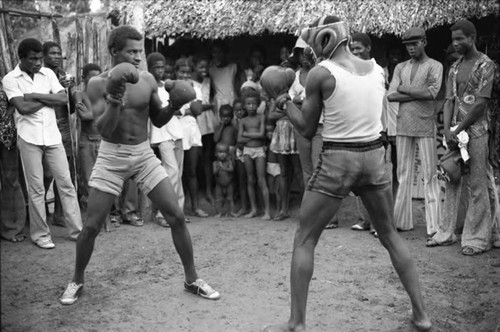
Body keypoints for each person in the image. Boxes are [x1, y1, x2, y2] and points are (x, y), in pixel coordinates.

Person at [262, 15, 431, 332]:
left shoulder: (321, 74)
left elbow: (307, 128)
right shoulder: (378, 70)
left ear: (321, 40)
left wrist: (283, 102)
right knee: (390, 235)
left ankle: (296, 323)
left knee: (305, 239)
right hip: (374, 156)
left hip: (339, 158)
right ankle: (421, 316)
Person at [59, 26, 219, 305]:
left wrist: (174, 104)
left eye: (139, 51)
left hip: (143, 153)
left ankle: (192, 279)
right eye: (131, 51)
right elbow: (104, 130)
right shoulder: (97, 83)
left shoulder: (146, 80)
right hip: (112, 154)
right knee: (93, 225)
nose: (137, 57)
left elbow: (157, 119)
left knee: (176, 216)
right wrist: (115, 98)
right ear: (114, 52)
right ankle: (77, 279)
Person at [426, 20, 499, 255]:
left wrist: (458, 130)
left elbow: (480, 104)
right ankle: (446, 232)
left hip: (476, 132)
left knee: (477, 185)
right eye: (453, 39)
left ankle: (477, 239)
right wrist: (447, 130)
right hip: (455, 132)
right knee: (451, 177)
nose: (455, 43)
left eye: (460, 39)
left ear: (472, 38)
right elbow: (449, 100)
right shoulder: (455, 67)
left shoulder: (486, 66)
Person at [2, 38, 82, 249]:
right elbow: (22, 108)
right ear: (22, 58)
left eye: (39, 58)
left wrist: (34, 95)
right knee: (36, 188)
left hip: (52, 136)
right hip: (29, 138)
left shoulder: (47, 74)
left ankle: (77, 231)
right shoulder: (10, 79)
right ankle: (40, 235)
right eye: (33, 59)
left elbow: (63, 100)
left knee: (66, 183)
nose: (38, 63)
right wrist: (48, 98)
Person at [387, 27, 443, 238]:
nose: (411, 48)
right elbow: (391, 96)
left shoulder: (435, 66)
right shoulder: (400, 67)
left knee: (430, 176)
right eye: (408, 45)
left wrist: (405, 89)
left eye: (415, 43)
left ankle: (435, 227)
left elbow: (432, 93)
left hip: (425, 125)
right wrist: (416, 93)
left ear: (424, 42)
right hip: (403, 125)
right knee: (403, 175)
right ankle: (401, 222)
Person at [289, 36, 339, 230]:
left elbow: (308, 100)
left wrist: (301, 101)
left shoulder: (323, 72)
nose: (305, 56)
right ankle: (311, 214)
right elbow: (296, 101)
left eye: (308, 52)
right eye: (301, 53)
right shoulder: (293, 76)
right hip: (301, 125)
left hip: (320, 126)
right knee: (307, 171)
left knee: (323, 170)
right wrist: (304, 101)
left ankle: (330, 217)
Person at [147, 52, 185, 227]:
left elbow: (181, 109)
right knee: (172, 174)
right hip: (162, 135)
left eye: (162, 67)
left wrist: (172, 108)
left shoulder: (170, 86)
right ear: (150, 68)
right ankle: (164, 214)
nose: (160, 71)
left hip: (177, 132)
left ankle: (178, 212)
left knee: (178, 174)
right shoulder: (149, 86)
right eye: (157, 67)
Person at [42, 41, 77, 227]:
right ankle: (40, 212)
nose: (56, 56)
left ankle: (59, 214)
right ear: (44, 55)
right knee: (47, 173)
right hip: (47, 127)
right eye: (52, 53)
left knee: (65, 174)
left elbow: (70, 107)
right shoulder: (39, 75)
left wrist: (69, 89)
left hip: (63, 128)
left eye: (58, 53)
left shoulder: (64, 75)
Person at [176, 57, 208, 218]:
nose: (185, 75)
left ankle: (195, 207)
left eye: (188, 72)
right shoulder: (172, 87)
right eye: (182, 72)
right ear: (176, 72)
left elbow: (197, 110)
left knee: (192, 171)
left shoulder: (196, 87)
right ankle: (179, 208)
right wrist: (184, 110)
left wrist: (189, 91)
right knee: (178, 172)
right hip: (176, 130)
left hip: (192, 130)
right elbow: (173, 111)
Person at [238, 89, 271, 219]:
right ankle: (253, 209)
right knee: (250, 180)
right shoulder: (243, 120)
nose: (251, 106)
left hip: (259, 150)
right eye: (248, 104)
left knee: (261, 180)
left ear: (258, 105)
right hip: (247, 151)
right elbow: (239, 139)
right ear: (244, 105)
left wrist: (246, 134)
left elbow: (262, 135)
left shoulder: (261, 117)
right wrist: (254, 136)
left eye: (253, 104)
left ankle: (267, 211)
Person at [0, 80, 27, 243]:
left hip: (7, 137)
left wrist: (6, 117)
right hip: (7, 134)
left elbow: (19, 101)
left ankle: (12, 228)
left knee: (11, 180)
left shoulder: (7, 82)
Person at [192, 53, 217, 206]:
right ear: (195, 67)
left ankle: (208, 190)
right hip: (195, 121)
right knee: (197, 157)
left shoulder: (208, 81)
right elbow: (198, 106)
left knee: (208, 156)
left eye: (206, 67)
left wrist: (206, 106)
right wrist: (208, 106)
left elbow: (211, 99)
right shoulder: (190, 82)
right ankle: (198, 190)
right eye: (201, 67)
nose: (204, 69)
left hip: (208, 122)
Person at [209, 41, 245, 118]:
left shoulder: (233, 67)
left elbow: (242, 80)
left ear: (225, 53)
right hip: (218, 102)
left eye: (220, 52)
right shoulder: (211, 70)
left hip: (233, 99)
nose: (218, 55)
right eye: (215, 52)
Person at [231, 99, 250, 216]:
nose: (240, 112)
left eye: (242, 110)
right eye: (237, 110)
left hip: (249, 149)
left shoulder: (248, 121)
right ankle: (244, 206)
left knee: (251, 179)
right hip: (239, 151)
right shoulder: (234, 123)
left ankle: (253, 205)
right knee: (242, 180)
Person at [213, 143, 235, 217]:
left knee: (230, 198)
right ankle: (220, 212)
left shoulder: (229, 162)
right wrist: (217, 169)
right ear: (216, 153)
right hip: (219, 184)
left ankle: (231, 212)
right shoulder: (215, 163)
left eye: (225, 152)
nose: (222, 154)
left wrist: (223, 168)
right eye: (220, 152)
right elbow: (214, 172)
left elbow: (232, 169)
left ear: (228, 153)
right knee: (219, 199)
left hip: (229, 183)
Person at [266, 122, 282, 217]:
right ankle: (272, 209)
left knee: (277, 191)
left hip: (278, 167)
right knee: (271, 190)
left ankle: (278, 210)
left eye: (272, 131)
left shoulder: (279, 144)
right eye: (267, 132)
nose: (270, 134)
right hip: (269, 166)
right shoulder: (266, 144)